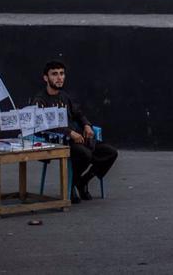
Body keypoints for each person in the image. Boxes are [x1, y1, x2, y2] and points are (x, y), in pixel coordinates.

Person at [34, 60, 118, 203]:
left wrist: (86, 125)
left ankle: (80, 182)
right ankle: (71, 184)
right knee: (85, 154)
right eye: (54, 74)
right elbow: (44, 126)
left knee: (110, 152)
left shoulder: (64, 96)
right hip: (59, 142)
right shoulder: (40, 100)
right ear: (45, 78)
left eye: (61, 74)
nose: (59, 77)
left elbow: (78, 113)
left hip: (79, 137)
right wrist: (69, 133)